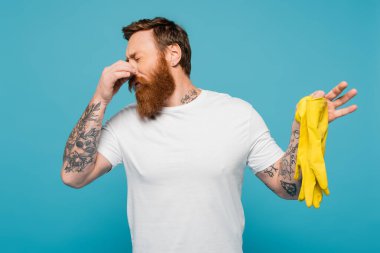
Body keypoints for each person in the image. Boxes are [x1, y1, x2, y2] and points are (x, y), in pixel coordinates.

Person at [61, 17, 358, 253]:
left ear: (173, 54)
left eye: (137, 58)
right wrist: (101, 96)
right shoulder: (126, 123)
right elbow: (74, 176)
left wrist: (303, 132)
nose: (127, 69)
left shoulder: (238, 114)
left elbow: (288, 187)